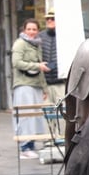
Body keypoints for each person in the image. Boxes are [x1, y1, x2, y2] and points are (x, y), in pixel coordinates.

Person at [11, 18, 49, 158]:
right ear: (24, 30)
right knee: (25, 116)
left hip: (36, 85)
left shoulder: (37, 45)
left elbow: (40, 68)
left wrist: (44, 88)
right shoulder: (20, 44)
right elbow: (16, 62)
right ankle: (24, 147)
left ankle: (31, 145)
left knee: (35, 117)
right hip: (23, 84)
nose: (32, 32)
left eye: (34, 29)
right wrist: (36, 66)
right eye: (29, 29)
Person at [38, 11, 64, 106]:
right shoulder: (40, 37)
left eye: (52, 18)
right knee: (46, 115)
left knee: (62, 113)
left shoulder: (64, 36)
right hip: (45, 84)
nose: (49, 20)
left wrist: (52, 66)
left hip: (61, 83)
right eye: (47, 19)